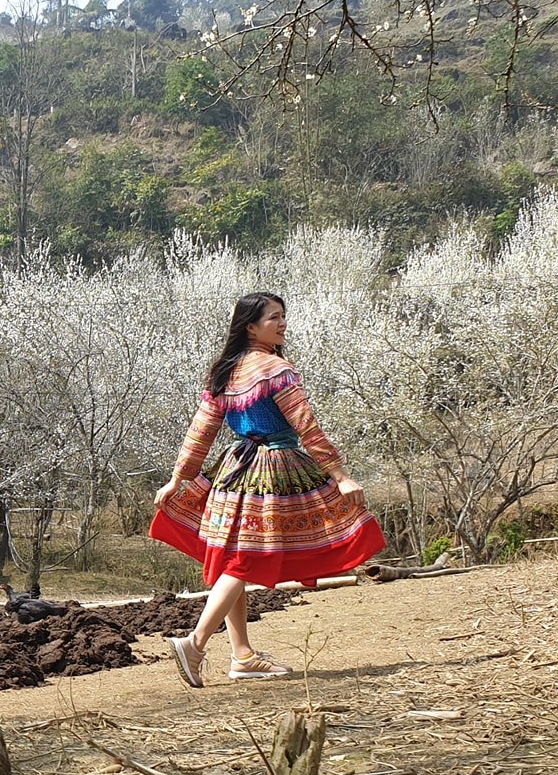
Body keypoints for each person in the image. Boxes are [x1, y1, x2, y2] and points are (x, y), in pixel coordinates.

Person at [149, 292, 384, 685]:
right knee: (244, 563)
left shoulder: (224, 373)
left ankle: (241, 655)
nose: (282, 323)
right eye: (274, 317)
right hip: (271, 472)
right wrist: (340, 475)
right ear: (250, 326)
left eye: (283, 316)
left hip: (233, 470)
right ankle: (196, 643)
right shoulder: (276, 369)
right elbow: (305, 424)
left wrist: (180, 478)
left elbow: (201, 432)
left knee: (234, 561)